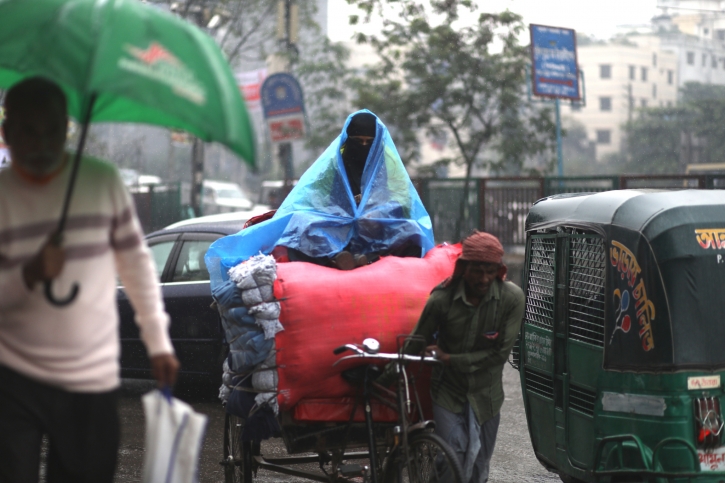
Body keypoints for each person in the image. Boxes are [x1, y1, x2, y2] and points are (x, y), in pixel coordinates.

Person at [0, 77, 179, 483]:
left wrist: (158, 340)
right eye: (28, 131)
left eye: (52, 131)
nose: (41, 144)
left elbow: (135, 263)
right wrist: (28, 274)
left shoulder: (101, 182)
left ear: (66, 129)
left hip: (89, 376)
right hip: (11, 378)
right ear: (7, 133)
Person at [380, 230, 524, 483]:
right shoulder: (442, 299)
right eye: (477, 271)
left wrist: (448, 358)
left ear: (499, 270)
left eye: (490, 271)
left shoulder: (511, 299)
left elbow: (499, 354)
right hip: (448, 391)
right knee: (451, 457)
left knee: (480, 467)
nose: (483, 278)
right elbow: (416, 342)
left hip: (486, 394)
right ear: (463, 268)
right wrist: (384, 377)